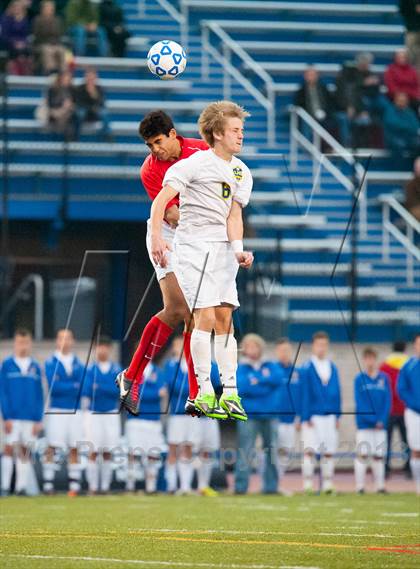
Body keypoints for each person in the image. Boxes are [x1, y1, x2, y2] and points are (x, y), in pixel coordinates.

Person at [150, 100, 254, 421]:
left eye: (241, 130)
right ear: (218, 133)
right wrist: (156, 237)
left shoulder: (241, 170)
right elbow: (160, 202)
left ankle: (231, 394)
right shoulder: (192, 164)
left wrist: (237, 248)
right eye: (235, 130)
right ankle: (205, 391)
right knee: (204, 316)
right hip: (193, 248)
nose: (241, 136)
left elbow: (234, 215)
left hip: (223, 251)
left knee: (225, 320)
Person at [116, 111, 208, 416]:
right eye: (149, 145)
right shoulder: (150, 170)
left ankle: (192, 393)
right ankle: (135, 375)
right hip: (167, 235)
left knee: (192, 314)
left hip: (197, 238)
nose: (154, 149)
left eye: (157, 142)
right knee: (180, 308)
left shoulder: (202, 151)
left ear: (172, 134)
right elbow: (169, 214)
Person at [0, 329, 43, 496]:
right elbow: (3, 392)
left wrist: (38, 419)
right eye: (19, 342)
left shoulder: (35, 366)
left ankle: (21, 488)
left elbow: (40, 394)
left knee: (25, 451)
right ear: (15, 344)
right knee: (9, 449)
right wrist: (6, 416)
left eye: (25, 342)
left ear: (30, 343)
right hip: (13, 417)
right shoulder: (7, 364)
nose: (22, 346)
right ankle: (4, 487)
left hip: (30, 419)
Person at [235, 334, 279, 495]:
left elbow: (277, 379)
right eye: (247, 346)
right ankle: (240, 487)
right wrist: (263, 382)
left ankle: (271, 487)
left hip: (269, 413)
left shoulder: (270, 365)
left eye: (254, 346)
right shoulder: (240, 366)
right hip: (248, 415)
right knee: (245, 451)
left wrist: (256, 380)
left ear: (260, 348)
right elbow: (242, 387)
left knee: (271, 452)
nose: (250, 349)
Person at [43, 329, 84, 496]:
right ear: (56, 341)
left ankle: (74, 486)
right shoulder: (50, 362)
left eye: (68, 338)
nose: (64, 342)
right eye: (61, 338)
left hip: (75, 410)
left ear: (72, 341)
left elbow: (81, 386)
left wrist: (69, 386)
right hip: (57, 409)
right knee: (52, 445)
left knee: (74, 446)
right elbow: (55, 388)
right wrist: (72, 386)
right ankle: (48, 484)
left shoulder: (78, 363)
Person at [301, 331, 341, 494]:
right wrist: (306, 416)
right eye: (319, 345)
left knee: (329, 451)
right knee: (310, 450)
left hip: (329, 416)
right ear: (313, 346)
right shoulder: (307, 367)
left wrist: (337, 414)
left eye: (324, 345)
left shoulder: (332, 366)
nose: (321, 348)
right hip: (313, 416)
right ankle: (308, 484)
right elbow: (304, 393)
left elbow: (337, 392)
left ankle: (327, 484)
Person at [161, 336, 201, 494]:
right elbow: (174, 385)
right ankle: (171, 485)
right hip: (177, 414)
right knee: (173, 449)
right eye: (178, 346)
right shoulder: (170, 365)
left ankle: (185, 486)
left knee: (188, 448)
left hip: (192, 414)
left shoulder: (195, 365)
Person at [83, 336, 121, 495]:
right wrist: (107, 388)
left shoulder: (116, 369)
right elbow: (86, 390)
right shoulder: (90, 369)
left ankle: (105, 487)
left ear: (110, 349)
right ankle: (92, 486)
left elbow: (118, 391)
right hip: (94, 414)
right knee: (93, 450)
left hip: (111, 413)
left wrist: (99, 387)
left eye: (105, 347)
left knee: (108, 451)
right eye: (99, 347)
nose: (102, 350)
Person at [354, 348, 391, 494]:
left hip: (380, 426)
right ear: (364, 360)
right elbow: (359, 402)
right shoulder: (359, 379)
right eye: (367, 358)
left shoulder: (384, 378)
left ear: (376, 360)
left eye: (372, 358)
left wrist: (381, 420)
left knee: (379, 455)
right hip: (364, 424)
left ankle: (380, 486)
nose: (370, 362)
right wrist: (372, 419)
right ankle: (360, 486)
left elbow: (387, 401)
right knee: (363, 455)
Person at [125, 362, 166, 494]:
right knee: (133, 453)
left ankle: (151, 487)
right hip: (135, 419)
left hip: (153, 419)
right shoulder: (130, 370)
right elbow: (131, 393)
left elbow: (163, 392)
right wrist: (153, 392)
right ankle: (130, 486)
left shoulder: (158, 371)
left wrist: (143, 389)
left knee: (152, 454)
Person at [335, 53, 382, 147]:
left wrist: (375, 84)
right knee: (345, 119)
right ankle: (347, 146)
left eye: (367, 63)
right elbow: (345, 95)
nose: (365, 65)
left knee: (367, 120)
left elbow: (372, 95)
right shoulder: (349, 75)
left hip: (361, 108)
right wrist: (350, 106)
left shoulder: (370, 75)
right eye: (363, 63)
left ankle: (364, 146)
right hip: (344, 109)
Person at [274, 338, 302, 492]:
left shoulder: (297, 373)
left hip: (291, 421)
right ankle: (270, 482)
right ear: (277, 352)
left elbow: (300, 396)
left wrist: (299, 417)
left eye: (287, 350)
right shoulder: (272, 370)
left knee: (286, 453)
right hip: (275, 420)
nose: (284, 353)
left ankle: (277, 483)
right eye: (281, 350)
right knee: (272, 452)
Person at [380, 341, 410, 476]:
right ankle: (409, 468)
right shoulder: (410, 366)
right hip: (406, 409)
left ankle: (385, 468)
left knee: (386, 440)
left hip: (389, 410)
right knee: (407, 441)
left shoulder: (384, 367)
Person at [397, 333, 420, 495]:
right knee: (416, 449)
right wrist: (414, 404)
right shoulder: (408, 366)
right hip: (414, 413)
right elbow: (401, 389)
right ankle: (418, 485)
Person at [293, 66, 335, 137]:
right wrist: (310, 114)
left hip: (324, 115)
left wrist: (325, 113)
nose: (311, 77)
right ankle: (307, 147)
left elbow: (330, 103)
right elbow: (298, 104)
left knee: (334, 122)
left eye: (313, 75)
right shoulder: (301, 90)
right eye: (309, 75)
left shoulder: (323, 88)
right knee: (306, 122)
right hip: (308, 116)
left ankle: (330, 147)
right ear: (305, 76)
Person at [382, 91, 420, 162]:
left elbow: (416, 126)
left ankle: (413, 166)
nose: (402, 102)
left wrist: (407, 128)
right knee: (399, 144)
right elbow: (394, 124)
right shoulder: (389, 111)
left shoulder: (409, 112)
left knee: (418, 143)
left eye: (404, 101)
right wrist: (408, 127)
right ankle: (397, 168)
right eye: (400, 100)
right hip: (394, 138)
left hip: (409, 138)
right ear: (395, 101)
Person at [75, 68, 111, 140]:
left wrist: (94, 95)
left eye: (92, 77)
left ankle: (107, 135)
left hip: (95, 110)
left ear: (95, 78)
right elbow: (79, 103)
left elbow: (101, 103)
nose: (90, 79)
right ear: (85, 77)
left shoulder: (99, 89)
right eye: (88, 77)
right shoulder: (80, 88)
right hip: (85, 110)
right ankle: (75, 135)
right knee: (80, 113)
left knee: (104, 113)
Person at [32, 0, 66, 75]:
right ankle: (51, 72)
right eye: (47, 8)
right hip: (41, 44)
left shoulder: (57, 20)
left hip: (55, 43)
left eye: (51, 8)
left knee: (62, 50)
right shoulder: (37, 20)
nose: (50, 10)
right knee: (48, 50)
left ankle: (63, 73)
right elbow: (37, 35)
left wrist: (53, 41)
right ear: (42, 9)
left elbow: (59, 34)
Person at [0, 0, 31, 75]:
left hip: (22, 43)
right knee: (18, 51)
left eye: (19, 8)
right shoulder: (6, 19)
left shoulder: (24, 20)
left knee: (27, 50)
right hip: (8, 43)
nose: (17, 9)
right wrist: (14, 42)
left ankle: (25, 73)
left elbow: (26, 35)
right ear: (12, 8)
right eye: (16, 7)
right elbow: (4, 35)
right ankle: (14, 71)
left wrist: (23, 42)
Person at [46, 70, 77, 140]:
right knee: (58, 115)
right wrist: (63, 107)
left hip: (68, 113)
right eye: (65, 78)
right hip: (55, 112)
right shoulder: (52, 90)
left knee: (70, 116)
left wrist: (70, 105)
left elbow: (76, 104)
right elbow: (50, 105)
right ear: (60, 78)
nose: (67, 80)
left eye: (69, 78)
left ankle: (66, 138)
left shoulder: (73, 90)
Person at [399, 0, 420, 67]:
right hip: (411, 29)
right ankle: (411, 75)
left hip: (411, 28)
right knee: (410, 56)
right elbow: (402, 9)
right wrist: (413, 9)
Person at [405, 156, 420, 221]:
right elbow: (412, 206)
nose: (417, 169)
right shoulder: (410, 185)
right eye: (416, 167)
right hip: (415, 212)